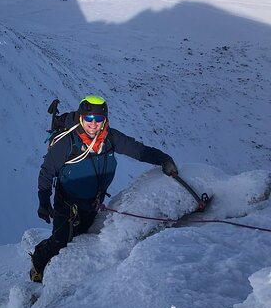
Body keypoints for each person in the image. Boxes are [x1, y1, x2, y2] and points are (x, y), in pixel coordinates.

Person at [30, 95, 178, 283]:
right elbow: (47, 172)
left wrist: (162, 159)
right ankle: (38, 262)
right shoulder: (68, 142)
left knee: (80, 237)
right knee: (60, 242)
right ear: (81, 118)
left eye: (98, 119)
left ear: (105, 120)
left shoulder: (110, 138)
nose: (94, 124)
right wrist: (43, 201)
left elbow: (139, 151)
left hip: (92, 203)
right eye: (89, 119)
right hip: (66, 205)